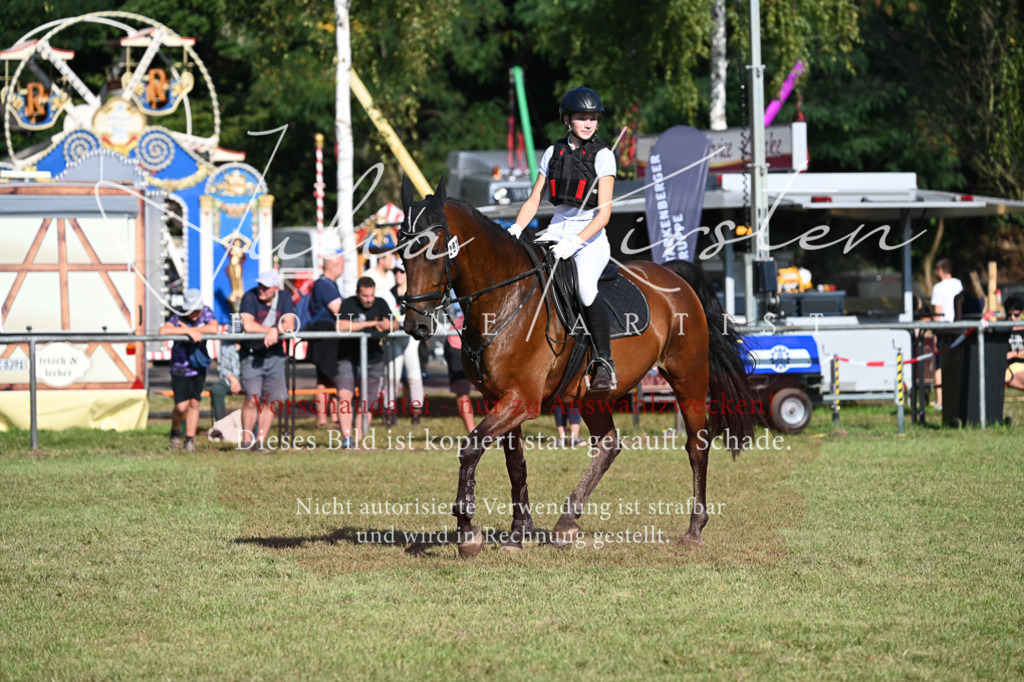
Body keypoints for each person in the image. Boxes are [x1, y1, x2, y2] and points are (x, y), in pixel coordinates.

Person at [510, 86, 617, 391]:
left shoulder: (604, 156)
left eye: (593, 118)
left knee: (584, 287)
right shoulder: (552, 152)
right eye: (582, 118)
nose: (589, 123)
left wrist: (576, 242)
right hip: (557, 228)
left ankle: (604, 362)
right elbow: (534, 199)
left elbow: (604, 215)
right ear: (567, 119)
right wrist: (517, 228)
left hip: (590, 233)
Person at [335, 276, 397, 447]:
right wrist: (370, 324)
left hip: (374, 359)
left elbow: (395, 324)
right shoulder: (348, 303)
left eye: (371, 295)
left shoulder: (381, 303)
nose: (369, 299)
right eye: (365, 296)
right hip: (348, 358)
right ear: (357, 294)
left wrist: (388, 325)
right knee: (344, 395)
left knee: (367, 402)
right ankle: (347, 438)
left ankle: (359, 439)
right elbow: (340, 326)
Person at [238, 269, 295, 449]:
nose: (261, 289)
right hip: (252, 355)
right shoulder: (249, 297)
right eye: (260, 285)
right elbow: (247, 325)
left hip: (275, 356)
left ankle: (260, 440)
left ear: (276, 288)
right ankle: (247, 440)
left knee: (271, 400)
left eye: (266, 287)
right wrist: (270, 330)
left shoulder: (285, 298)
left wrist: (275, 331)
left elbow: (289, 325)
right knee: (252, 398)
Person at [160, 288, 218, 451]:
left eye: (196, 311)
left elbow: (214, 328)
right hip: (180, 368)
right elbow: (164, 330)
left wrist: (195, 330)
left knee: (194, 402)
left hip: (198, 366)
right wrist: (187, 330)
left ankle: (189, 441)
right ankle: (176, 432)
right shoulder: (178, 315)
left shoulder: (206, 312)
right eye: (190, 311)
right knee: (181, 407)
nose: (194, 315)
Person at [306, 252, 345, 428]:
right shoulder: (324, 285)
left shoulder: (329, 284)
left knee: (330, 378)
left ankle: (334, 417)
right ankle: (322, 419)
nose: (343, 269)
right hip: (324, 337)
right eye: (342, 265)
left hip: (327, 337)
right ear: (333, 266)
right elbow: (339, 310)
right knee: (326, 378)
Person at [389, 260, 425, 425]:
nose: (398, 274)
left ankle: (416, 414)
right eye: (396, 271)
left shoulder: (413, 294)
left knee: (414, 376)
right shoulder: (389, 294)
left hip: (410, 339)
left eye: (401, 271)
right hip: (394, 338)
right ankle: (390, 415)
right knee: (392, 376)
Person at [930, 258, 963, 408]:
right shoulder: (959, 284)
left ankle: (940, 401)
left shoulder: (938, 288)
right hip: (959, 327)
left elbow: (938, 313)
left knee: (939, 365)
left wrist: (936, 335)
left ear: (940, 270)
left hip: (944, 329)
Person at [444, 309, 475, 434]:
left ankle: (498, 432)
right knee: (462, 391)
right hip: (456, 344)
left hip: (480, 346)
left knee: (492, 390)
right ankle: (473, 434)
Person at [208, 338, 242, 422]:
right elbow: (222, 367)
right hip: (229, 380)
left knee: (255, 389)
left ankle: (254, 428)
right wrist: (233, 380)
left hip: (248, 379)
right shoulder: (226, 344)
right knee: (217, 389)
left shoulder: (251, 344)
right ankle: (221, 425)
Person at [1004, 294, 1024, 392]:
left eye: (1016, 315)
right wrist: (1016, 354)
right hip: (1009, 368)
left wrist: (1014, 354)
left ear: (1022, 313)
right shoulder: (1003, 332)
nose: (1012, 318)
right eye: (1009, 315)